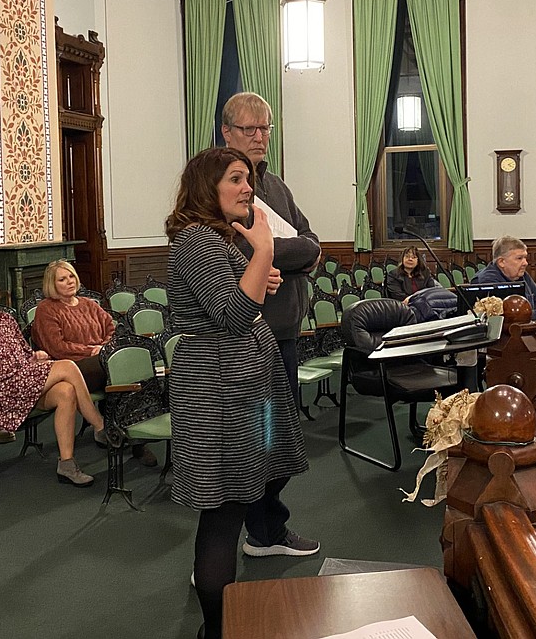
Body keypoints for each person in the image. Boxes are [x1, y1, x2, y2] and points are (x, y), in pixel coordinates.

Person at [166, 147, 311, 639]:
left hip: (248, 381)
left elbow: (236, 296)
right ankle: (217, 630)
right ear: (209, 187)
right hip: (219, 387)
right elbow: (230, 315)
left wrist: (258, 274)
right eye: (235, 178)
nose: (247, 187)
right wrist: (265, 252)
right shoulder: (195, 240)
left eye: (247, 178)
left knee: (255, 476)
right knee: (224, 511)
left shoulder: (217, 238)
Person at [221, 92, 321, 569]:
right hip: (252, 332)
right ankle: (262, 529)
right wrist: (277, 254)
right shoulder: (222, 186)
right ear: (227, 133)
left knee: (281, 433)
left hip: (285, 327)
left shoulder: (275, 185)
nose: (260, 137)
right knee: (264, 436)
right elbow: (235, 251)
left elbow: (312, 244)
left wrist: (278, 252)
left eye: (266, 129)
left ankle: (262, 523)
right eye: (250, 129)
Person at [0, 269, 108, 487]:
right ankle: (101, 426)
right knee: (67, 366)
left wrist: (35, 357)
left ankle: (67, 463)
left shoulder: (6, 319)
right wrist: (27, 366)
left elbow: (24, 353)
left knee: (66, 391)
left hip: (22, 381)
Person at [31, 261, 158, 467]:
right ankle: (111, 430)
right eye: (62, 279)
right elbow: (57, 347)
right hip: (73, 366)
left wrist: (105, 347)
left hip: (102, 358)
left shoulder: (88, 303)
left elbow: (111, 328)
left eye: (71, 276)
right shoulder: (47, 309)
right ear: (51, 284)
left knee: (133, 370)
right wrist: (91, 350)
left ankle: (136, 438)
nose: (69, 282)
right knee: (118, 370)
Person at [471, 236, 536, 321]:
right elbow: (504, 317)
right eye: (519, 258)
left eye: (525, 258)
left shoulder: (521, 275)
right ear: (501, 262)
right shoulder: (486, 282)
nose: (526, 263)